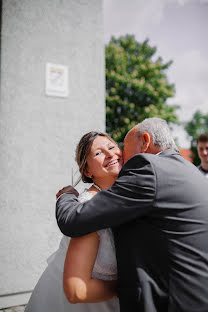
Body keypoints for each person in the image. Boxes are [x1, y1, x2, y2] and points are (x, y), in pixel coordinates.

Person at [56, 117, 208, 312]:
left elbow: (73, 219)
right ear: (87, 170)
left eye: (116, 148)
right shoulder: (189, 170)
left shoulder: (149, 169)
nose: (118, 156)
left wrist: (67, 195)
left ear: (145, 141)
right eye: (98, 152)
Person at [25, 131, 122, 312]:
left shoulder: (127, 196)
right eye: (99, 153)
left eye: (111, 147)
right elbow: (76, 291)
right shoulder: (88, 209)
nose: (110, 154)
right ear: (87, 170)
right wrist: (130, 285)